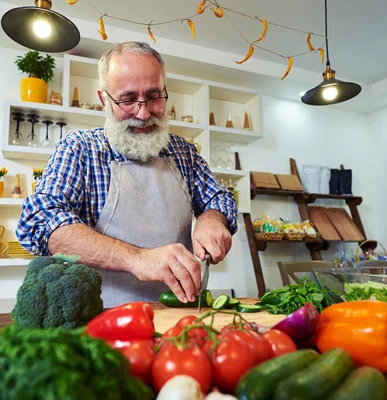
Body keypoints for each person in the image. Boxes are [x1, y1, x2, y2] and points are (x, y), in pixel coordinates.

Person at [16, 42, 237, 307]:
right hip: (100, 315)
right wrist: (137, 259)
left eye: (154, 96)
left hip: (179, 315)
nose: (143, 113)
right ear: (103, 100)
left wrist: (213, 219)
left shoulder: (184, 152)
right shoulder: (80, 148)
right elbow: (40, 220)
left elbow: (218, 198)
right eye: (128, 99)